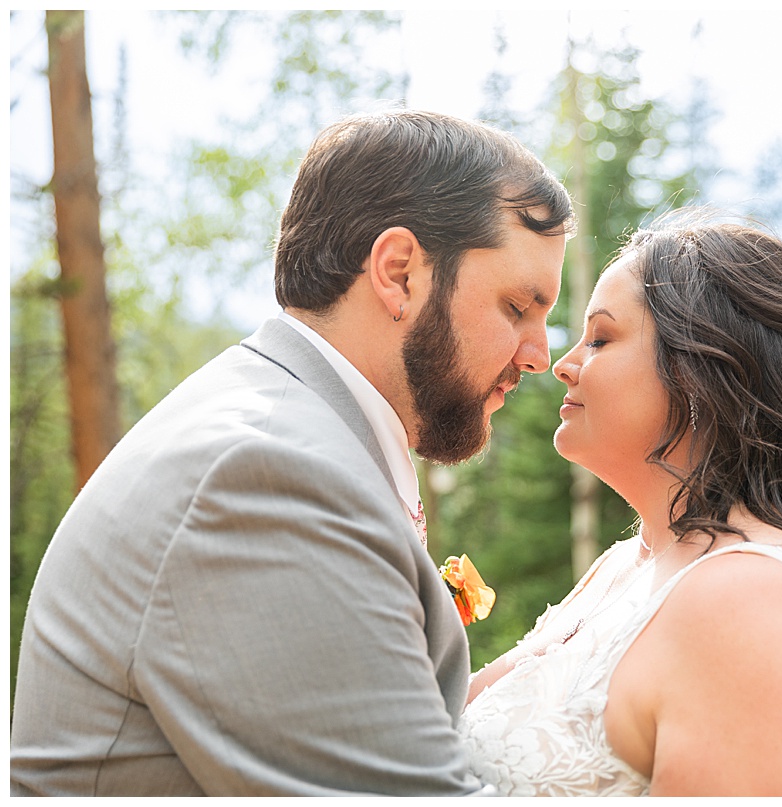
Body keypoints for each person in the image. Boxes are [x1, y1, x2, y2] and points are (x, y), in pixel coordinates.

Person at [10, 109, 572, 796]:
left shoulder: (289, 434)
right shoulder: (263, 479)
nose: (541, 355)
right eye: (518, 307)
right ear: (399, 273)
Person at [458, 212, 782, 796]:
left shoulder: (756, 603)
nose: (563, 363)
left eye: (602, 338)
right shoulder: (627, 567)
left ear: (698, 372)